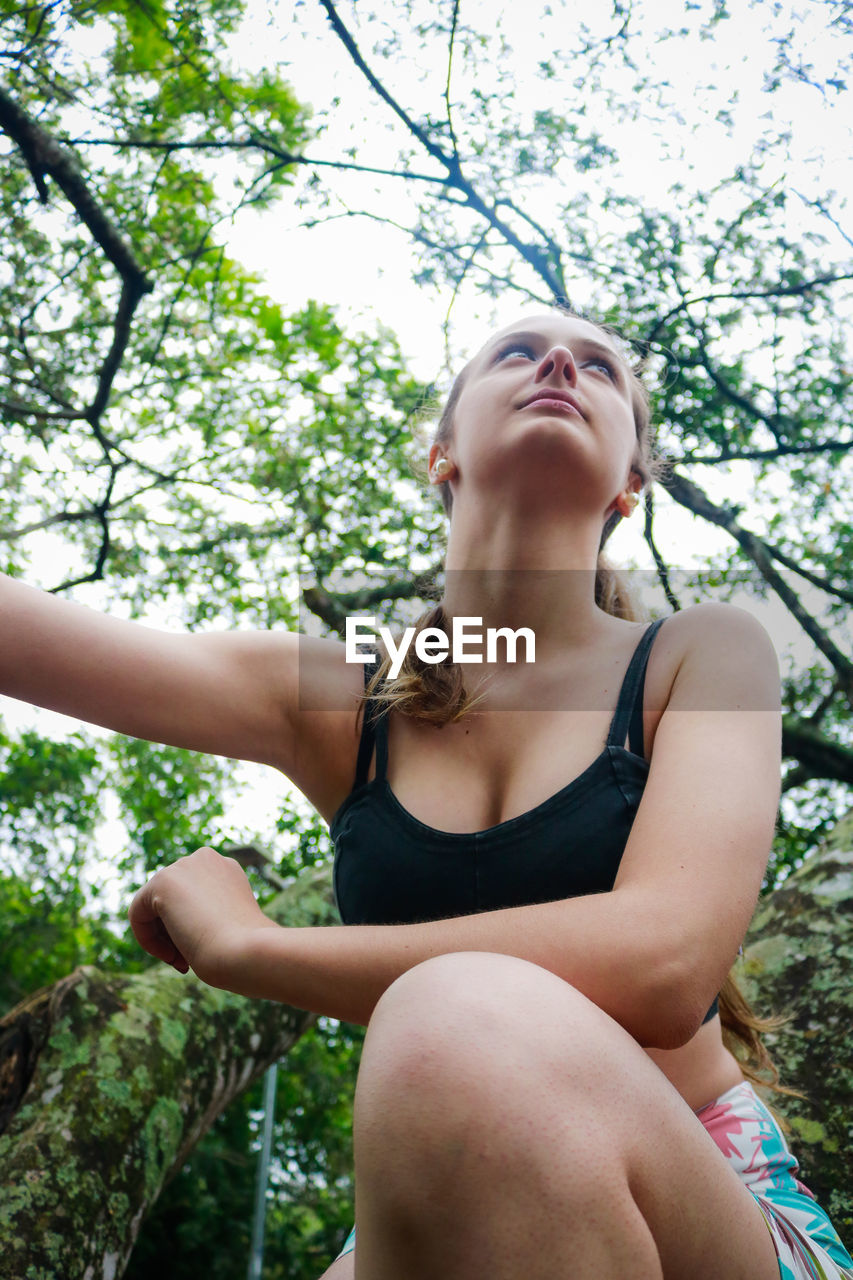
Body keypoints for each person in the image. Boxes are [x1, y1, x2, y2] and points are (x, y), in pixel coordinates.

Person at [1, 310, 850, 1280]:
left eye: (603, 370)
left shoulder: (699, 653)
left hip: (718, 1209)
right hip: (435, 1211)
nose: (563, 363)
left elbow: (661, 961)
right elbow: (35, 637)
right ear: (442, 453)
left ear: (629, 482)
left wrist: (258, 949)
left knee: (455, 1019)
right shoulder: (348, 704)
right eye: (518, 353)